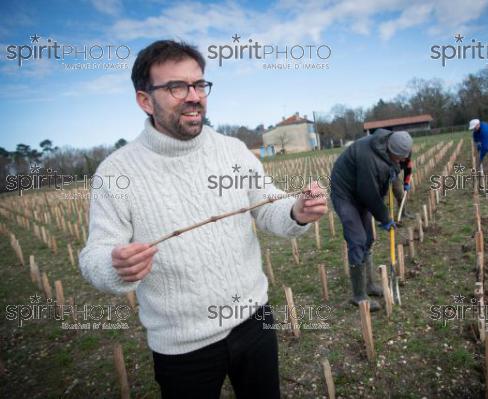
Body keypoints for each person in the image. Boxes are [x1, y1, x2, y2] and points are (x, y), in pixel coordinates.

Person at [78, 40, 327, 399]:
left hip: (254, 321)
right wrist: (115, 266)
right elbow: (94, 257)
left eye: (199, 84)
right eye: (176, 87)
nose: (194, 96)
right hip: (182, 347)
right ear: (145, 101)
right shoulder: (116, 172)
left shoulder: (233, 151)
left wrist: (295, 211)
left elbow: (268, 206)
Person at [330, 129, 413, 311]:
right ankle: (358, 295)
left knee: (368, 238)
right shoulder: (367, 157)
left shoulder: (399, 145)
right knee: (357, 239)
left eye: (402, 157)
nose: (400, 160)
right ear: (390, 150)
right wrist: (384, 217)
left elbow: (405, 164)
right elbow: (369, 193)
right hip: (345, 193)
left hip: (361, 191)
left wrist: (404, 177)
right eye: (397, 158)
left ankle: (369, 285)